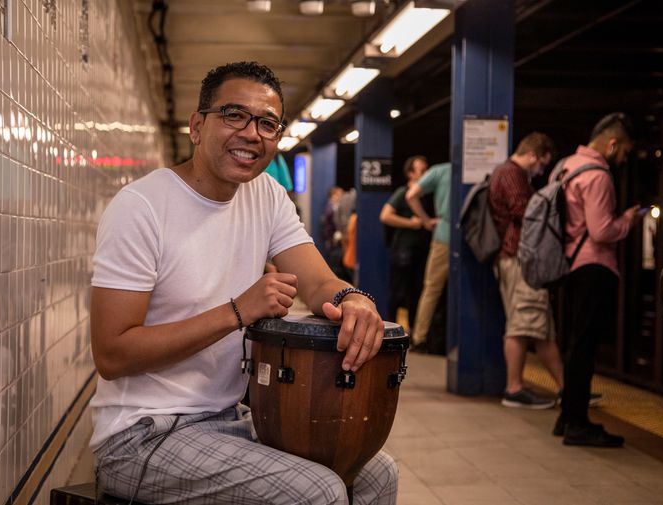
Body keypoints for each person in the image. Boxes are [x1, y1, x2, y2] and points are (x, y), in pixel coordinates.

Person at [89, 61, 396, 504]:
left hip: (231, 416)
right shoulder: (141, 207)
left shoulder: (266, 196)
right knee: (318, 493)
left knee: (375, 473)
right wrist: (238, 311)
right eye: (234, 115)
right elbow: (112, 354)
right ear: (197, 126)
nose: (252, 133)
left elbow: (316, 280)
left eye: (268, 123)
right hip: (141, 434)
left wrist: (354, 300)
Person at [555, 112, 641, 447]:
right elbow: (602, 230)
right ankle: (578, 422)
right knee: (584, 347)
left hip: (571, 266)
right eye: (624, 151)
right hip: (594, 266)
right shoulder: (598, 176)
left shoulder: (567, 166)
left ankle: (566, 417)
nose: (623, 158)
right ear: (613, 142)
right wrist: (628, 220)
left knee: (574, 343)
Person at [489, 132, 562, 409]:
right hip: (519, 257)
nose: (540, 170)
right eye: (541, 164)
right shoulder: (512, 174)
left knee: (538, 327)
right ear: (532, 154)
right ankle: (514, 388)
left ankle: (568, 389)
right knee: (521, 325)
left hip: (513, 258)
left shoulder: (505, 172)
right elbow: (525, 211)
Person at [379, 155, 429, 331]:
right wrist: (411, 224)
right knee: (399, 292)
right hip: (403, 249)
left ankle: (413, 332)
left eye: (426, 170)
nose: (425, 174)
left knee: (414, 293)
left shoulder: (425, 194)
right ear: (410, 174)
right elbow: (385, 215)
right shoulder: (403, 192)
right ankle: (389, 330)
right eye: (421, 171)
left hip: (418, 250)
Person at [405, 161, 451, 351]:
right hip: (473, 235)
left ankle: (419, 337)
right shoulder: (480, 169)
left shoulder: (441, 170)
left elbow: (411, 195)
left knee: (432, 288)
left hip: (443, 233)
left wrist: (426, 221)